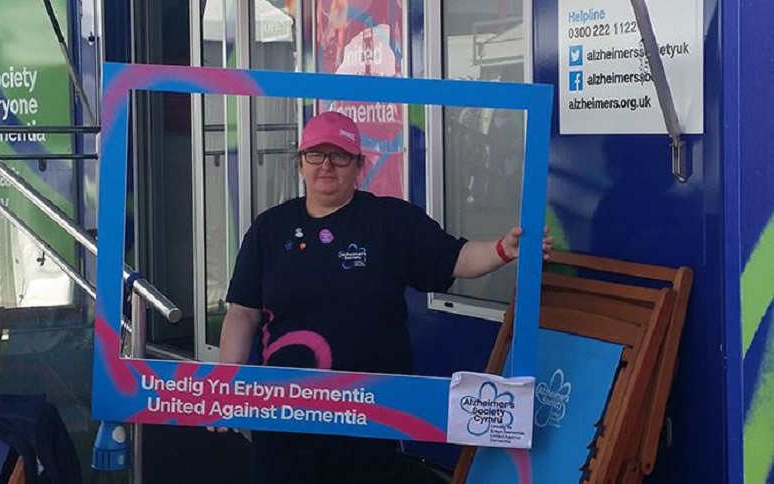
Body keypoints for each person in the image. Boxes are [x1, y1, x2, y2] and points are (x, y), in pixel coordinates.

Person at [215, 111, 553, 484]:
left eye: (340, 155)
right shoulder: (269, 228)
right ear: (300, 163)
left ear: (358, 164)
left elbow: (457, 258)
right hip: (285, 412)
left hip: (370, 411)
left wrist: (505, 249)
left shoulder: (390, 220)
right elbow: (242, 313)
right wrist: (226, 383)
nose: (327, 165)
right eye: (316, 155)